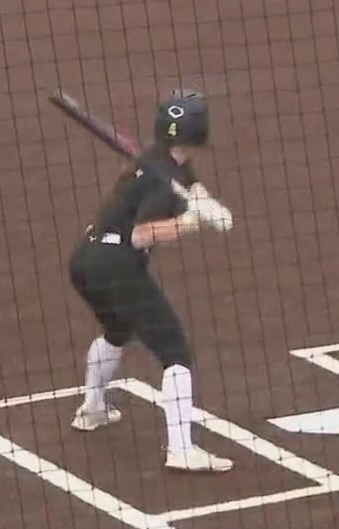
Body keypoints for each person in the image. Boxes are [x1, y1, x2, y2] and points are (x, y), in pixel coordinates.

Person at [67, 88, 234, 473]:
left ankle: (92, 408)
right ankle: (181, 449)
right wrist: (192, 223)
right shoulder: (162, 180)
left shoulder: (157, 158)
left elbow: (188, 184)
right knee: (175, 352)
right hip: (117, 266)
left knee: (118, 329)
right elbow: (141, 235)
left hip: (86, 259)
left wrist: (207, 202)